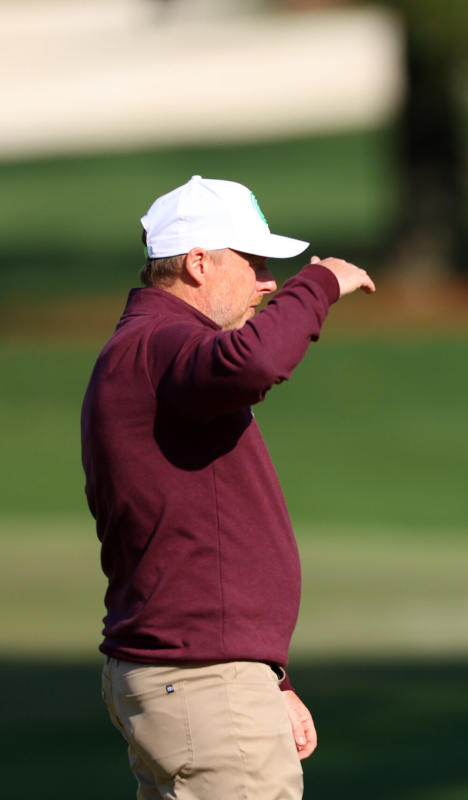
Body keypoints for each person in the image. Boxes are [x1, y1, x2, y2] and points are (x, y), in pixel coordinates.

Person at [81, 175, 376, 799]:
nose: (269, 282)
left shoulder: (147, 350)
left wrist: (268, 677)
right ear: (196, 263)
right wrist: (318, 284)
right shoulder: (162, 346)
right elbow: (256, 363)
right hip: (202, 685)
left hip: (203, 679)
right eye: (254, 262)